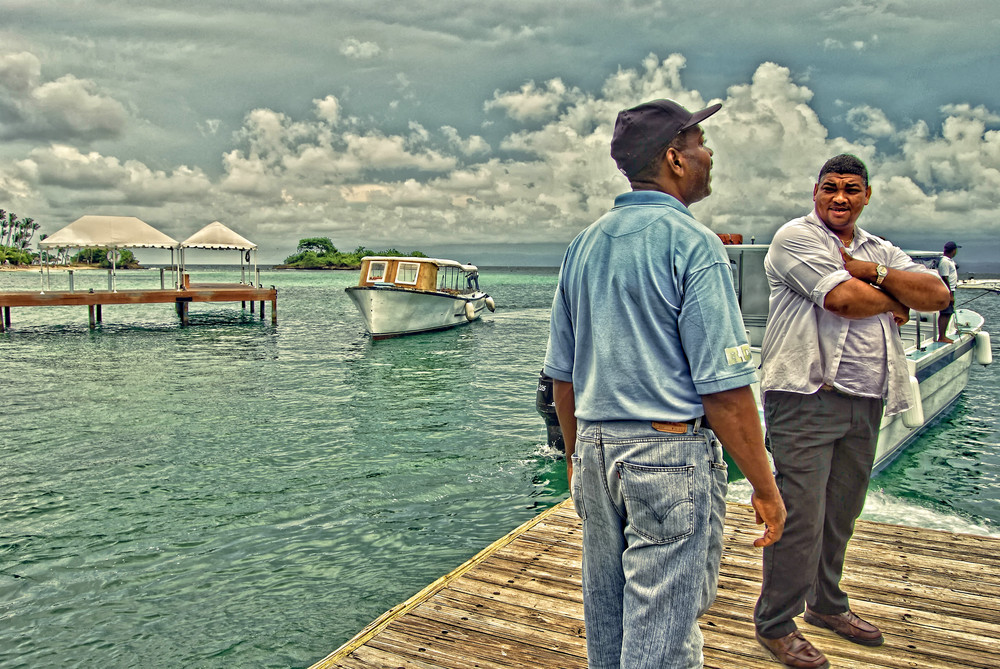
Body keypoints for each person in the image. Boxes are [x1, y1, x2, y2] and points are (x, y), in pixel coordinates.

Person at [544, 98, 786, 669]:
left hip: (599, 450)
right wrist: (766, 487)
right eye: (701, 143)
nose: (709, 153)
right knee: (664, 634)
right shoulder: (693, 245)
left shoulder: (584, 245)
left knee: (608, 616)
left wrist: (577, 455)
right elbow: (725, 392)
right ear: (675, 158)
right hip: (667, 453)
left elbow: (562, 376)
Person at [754, 154, 950, 668]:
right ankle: (776, 622)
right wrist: (893, 299)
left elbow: (936, 294)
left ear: (867, 195)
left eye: (851, 189)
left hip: (866, 395)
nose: (840, 197)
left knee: (842, 511)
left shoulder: (876, 248)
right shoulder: (796, 238)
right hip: (804, 397)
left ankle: (826, 605)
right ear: (814, 192)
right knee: (800, 515)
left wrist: (875, 274)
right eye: (830, 187)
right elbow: (841, 300)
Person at [937, 241, 960, 343]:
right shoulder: (945, 262)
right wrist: (950, 294)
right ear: (954, 250)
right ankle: (942, 336)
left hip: (950, 289)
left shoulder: (949, 261)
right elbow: (944, 277)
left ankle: (943, 335)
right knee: (945, 312)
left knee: (949, 312)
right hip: (947, 291)